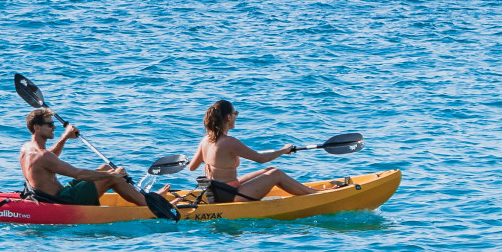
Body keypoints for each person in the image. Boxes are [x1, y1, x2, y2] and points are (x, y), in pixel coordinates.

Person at [19, 109, 155, 211]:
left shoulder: (26, 148)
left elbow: (49, 159)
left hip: (52, 194)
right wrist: (113, 175)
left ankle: (143, 197)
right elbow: (78, 174)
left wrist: (65, 137)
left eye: (53, 123)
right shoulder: (43, 156)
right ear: (37, 128)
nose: (54, 127)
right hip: (62, 200)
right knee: (111, 177)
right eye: (49, 124)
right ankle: (150, 207)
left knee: (105, 168)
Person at [188, 97, 313, 201]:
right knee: (276, 174)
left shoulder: (205, 140)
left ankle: (310, 191)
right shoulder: (229, 142)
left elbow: (192, 167)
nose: (236, 116)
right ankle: (315, 194)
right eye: (235, 113)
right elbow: (260, 158)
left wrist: (210, 159)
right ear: (229, 117)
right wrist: (283, 150)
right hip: (231, 196)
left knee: (269, 170)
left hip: (217, 192)